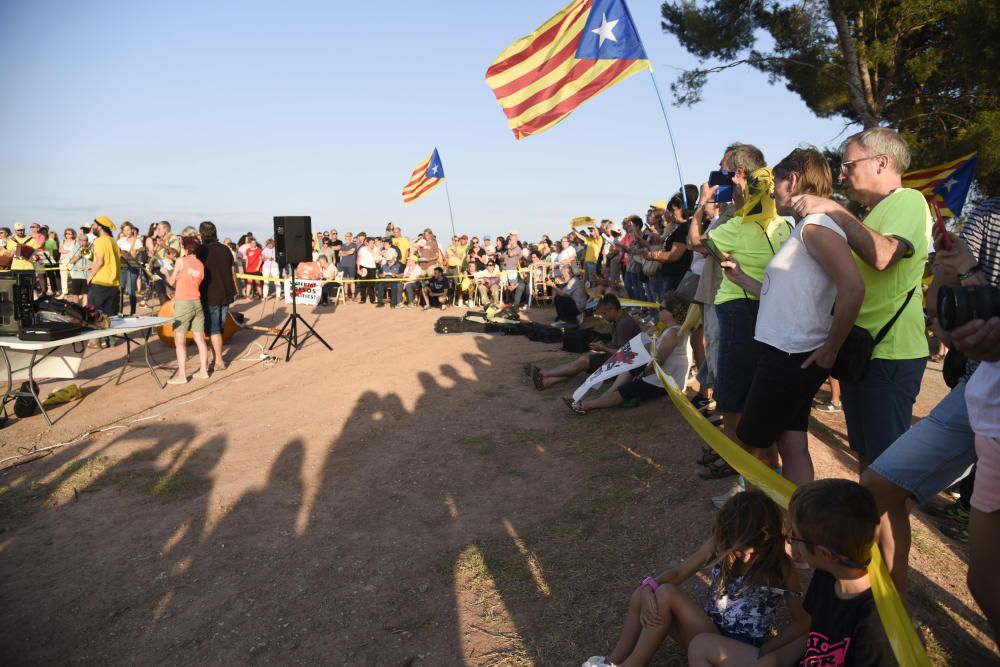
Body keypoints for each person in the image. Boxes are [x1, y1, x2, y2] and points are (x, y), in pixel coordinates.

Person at [721, 147, 865, 486]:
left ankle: (765, 521)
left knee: (751, 440)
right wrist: (742, 278)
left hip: (789, 354)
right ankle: (795, 524)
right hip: (786, 350)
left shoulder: (816, 227)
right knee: (791, 441)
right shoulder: (804, 229)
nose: (772, 191)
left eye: (778, 182)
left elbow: (854, 288)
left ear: (794, 179)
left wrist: (831, 349)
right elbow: (785, 297)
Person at [792, 127, 931, 471]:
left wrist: (833, 209)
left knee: (887, 472)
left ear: (882, 162)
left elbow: (884, 256)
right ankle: (871, 525)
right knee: (869, 463)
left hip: (890, 354)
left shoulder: (909, 201)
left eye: (848, 164)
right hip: (865, 351)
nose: (842, 173)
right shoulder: (873, 213)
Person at [582, 491, 806, 667]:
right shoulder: (720, 545)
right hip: (708, 633)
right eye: (740, 551)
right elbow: (680, 572)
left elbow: (803, 622)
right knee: (646, 593)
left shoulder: (782, 568)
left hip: (739, 650)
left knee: (666, 593)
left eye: (755, 552)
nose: (747, 557)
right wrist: (648, 587)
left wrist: (767, 650)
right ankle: (611, 661)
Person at [687, 479, 896, 667]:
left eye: (794, 535)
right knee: (701, 645)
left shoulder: (874, 627)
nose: (788, 539)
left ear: (823, 553)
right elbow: (811, 635)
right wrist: (768, 659)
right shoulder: (827, 577)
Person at [563, 293, 691, 415]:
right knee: (630, 368)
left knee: (626, 390)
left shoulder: (672, 333)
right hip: (666, 375)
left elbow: (658, 361)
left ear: (672, 312)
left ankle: (584, 406)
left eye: (661, 308)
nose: (658, 309)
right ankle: (606, 394)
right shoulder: (671, 328)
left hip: (666, 381)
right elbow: (649, 344)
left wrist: (642, 374)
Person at [531, 294, 642, 390]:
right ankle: (545, 382)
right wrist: (602, 345)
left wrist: (603, 348)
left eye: (604, 314)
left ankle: (543, 374)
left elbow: (624, 354)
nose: (603, 317)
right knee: (582, 363)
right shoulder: (619, 320)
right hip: (620, 361)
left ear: (612, 310)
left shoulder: (624, 324)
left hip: (624, 364)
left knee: (583, 361)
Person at [166, 235, 209, 384]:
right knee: (199, 338)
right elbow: (194, 281)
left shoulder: (180, 261)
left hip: (183, 302)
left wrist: (166, 273)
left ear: (185, 248)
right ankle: (203, 370)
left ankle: (182, 375)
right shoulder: (201, 264)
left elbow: (172, 282)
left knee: (180, 340)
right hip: (196, 302)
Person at [196, 221, 237, 371]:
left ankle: (219, 360)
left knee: (214, 329)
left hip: (210, 293)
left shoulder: (201, 251)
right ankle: (217, 357)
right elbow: (232, 271)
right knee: (219, 327)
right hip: (225, 292)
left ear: (201, 234)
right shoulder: (225, 249)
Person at [87, 215, 122, 347]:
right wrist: (92, 265)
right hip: (112, 282)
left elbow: (101, 261)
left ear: (100, 227)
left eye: (94, 225)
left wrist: (90, 275)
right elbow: (109, 261)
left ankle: (96, 340)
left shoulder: (100, 241)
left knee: (93, 312)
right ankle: (110, 340)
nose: (93, 228)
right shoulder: (113, 241)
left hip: (100, 281)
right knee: (110, 314)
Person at [117, 222, 143, 315]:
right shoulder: (120, 240)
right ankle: (119, 312)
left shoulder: (137, 241)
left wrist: (129, 253)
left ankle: (133, 312)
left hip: (132, 267)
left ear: (132, 229)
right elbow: (117, 252)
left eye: (128, 229)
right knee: (120, 288)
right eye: (124, 230)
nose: (126, 232)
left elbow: (135, 254)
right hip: (122, 266)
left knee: (131, 289)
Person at [356, 235, 379, 304]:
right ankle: (363, 299)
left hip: (372, 268)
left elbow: (377, 260)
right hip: (363, 267)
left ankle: (372, 299)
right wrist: (358, 269)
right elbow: (358, 259)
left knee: (372, 284)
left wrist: (378, 260)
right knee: (363, 284)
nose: (372, 244)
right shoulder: (362, 249)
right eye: (371, 243)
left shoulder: (376, 249)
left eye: (373, 243)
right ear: (367, 243)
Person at [339, 231, 359, 301]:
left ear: (351, 237)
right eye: (346, 236)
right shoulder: (343, 245)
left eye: (348, 236)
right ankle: (346, 295)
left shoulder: (354, 244)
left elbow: (351, 252)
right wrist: (347, 252)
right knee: (345, 281)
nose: (347, 237)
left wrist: (344, 252)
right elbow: (339, 254)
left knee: (352, 281)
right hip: (343, 265)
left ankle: (353, 295)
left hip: (351, 265)